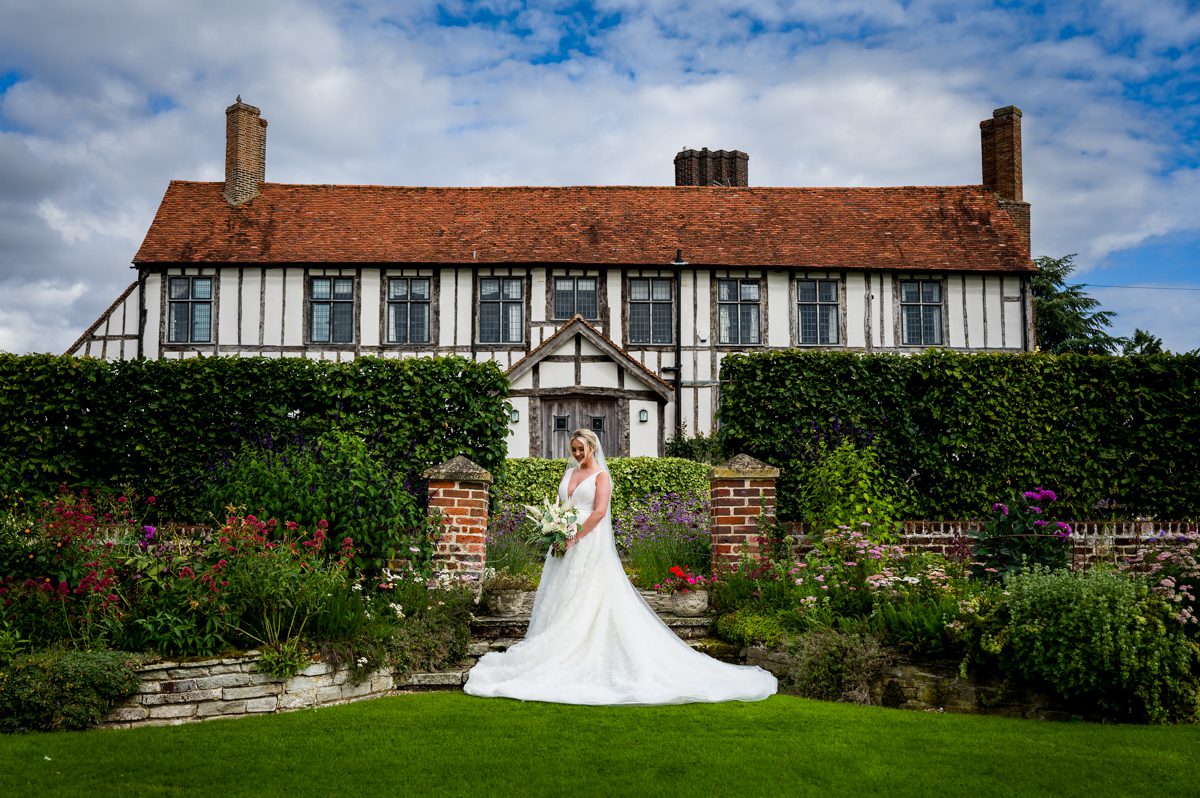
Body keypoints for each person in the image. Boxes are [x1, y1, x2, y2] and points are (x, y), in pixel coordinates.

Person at [464, 428, 777, 705]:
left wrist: (574, 537)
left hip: (587, 543)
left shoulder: (601, 477)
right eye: (573, 449)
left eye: (580, 450)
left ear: (592, 448)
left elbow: (599, 513)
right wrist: (557, 528)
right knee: (560, 594)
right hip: (564, 544)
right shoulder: (569, 473)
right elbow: (564, 506)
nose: (576, 454)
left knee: (587, 596)